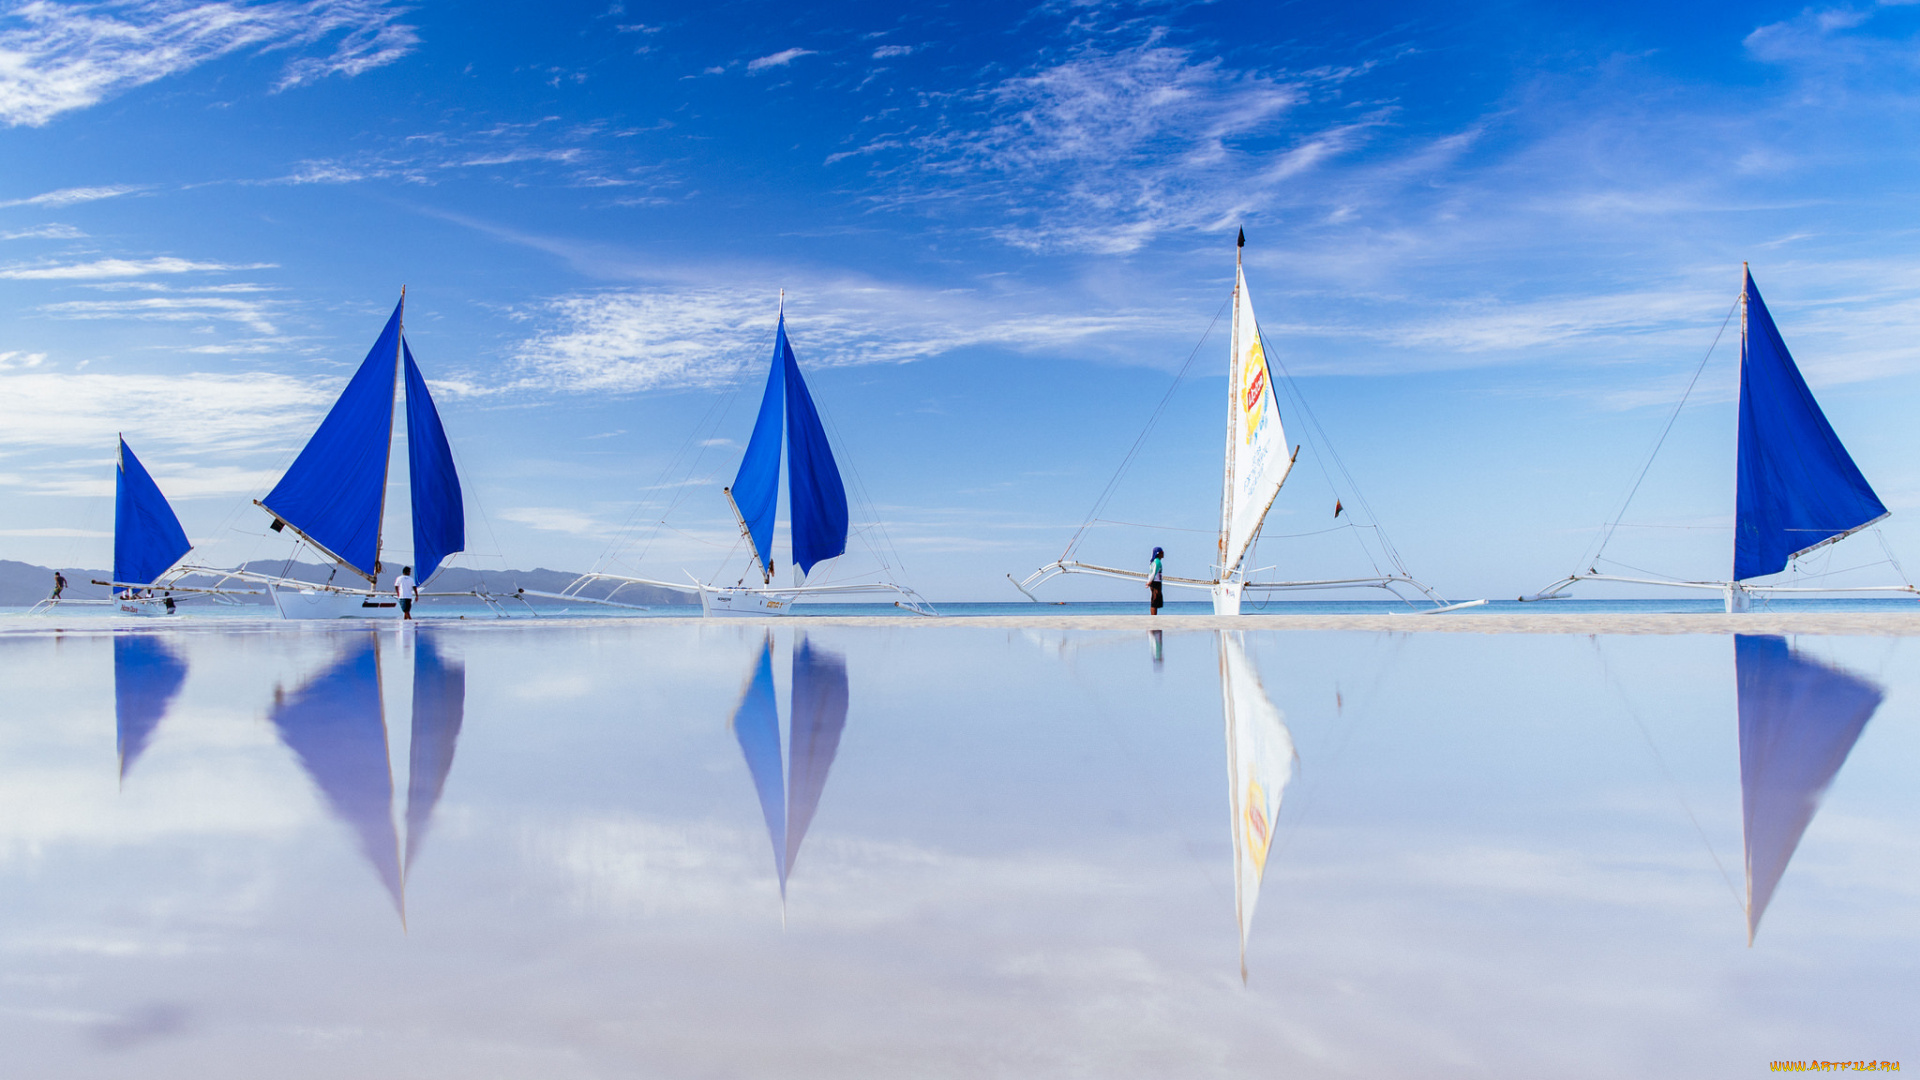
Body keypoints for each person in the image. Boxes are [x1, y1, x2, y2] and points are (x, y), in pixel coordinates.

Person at [1148, 547, 1164, 615]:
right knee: (1154, 601)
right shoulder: (1157, 561)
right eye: (1162, 552)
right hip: (1155, 582)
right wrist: (1150, 581)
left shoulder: (1154, 561)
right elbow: (1154, 572)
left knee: (1156, 601)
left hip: (1156, 582)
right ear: (1158, 553)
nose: (1163, 554)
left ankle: (1154, 615)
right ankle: (1153, 616)